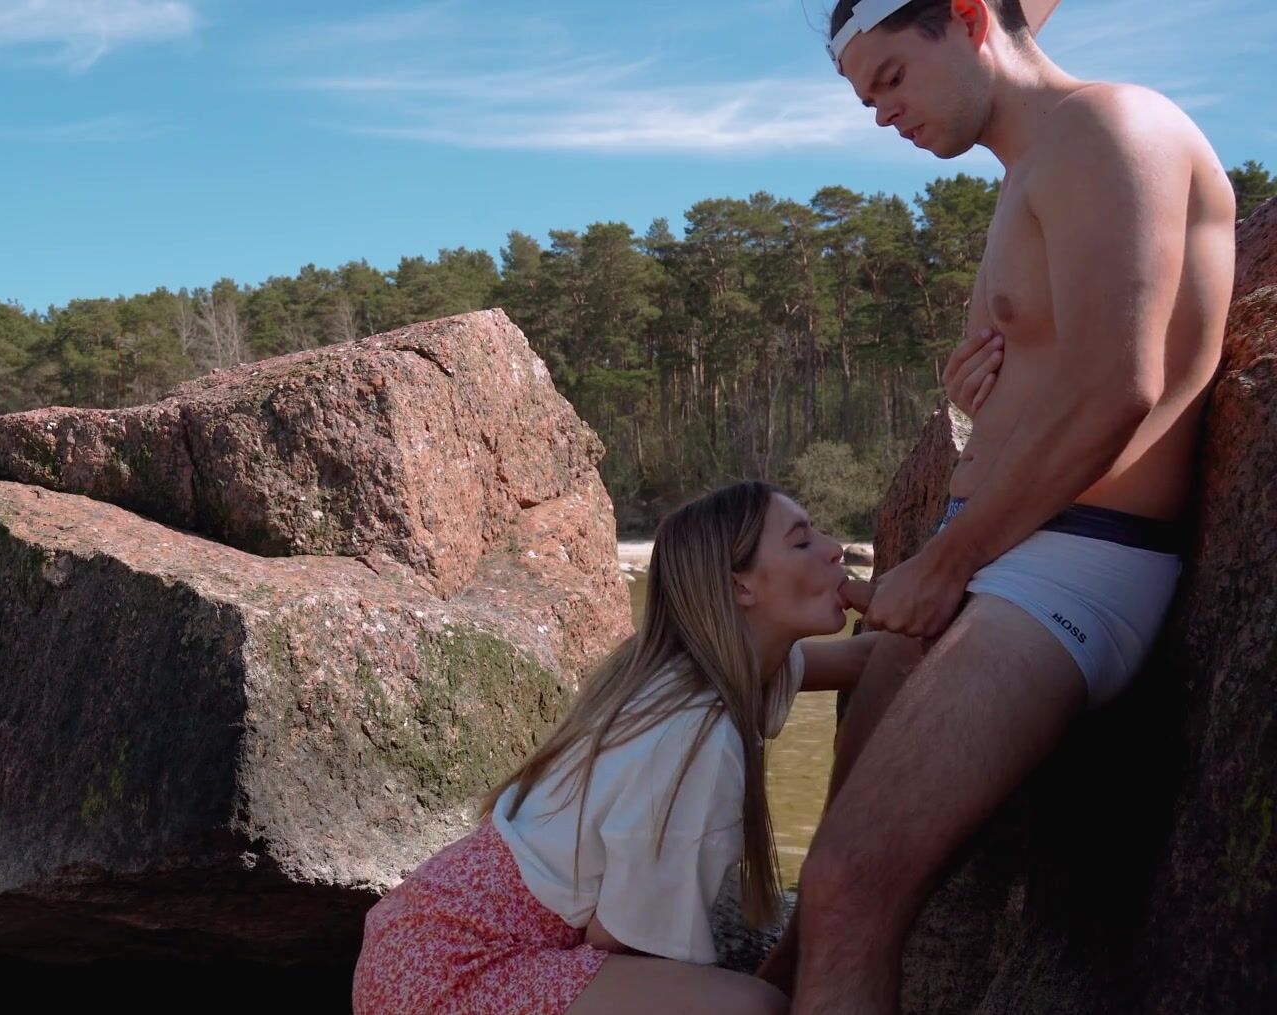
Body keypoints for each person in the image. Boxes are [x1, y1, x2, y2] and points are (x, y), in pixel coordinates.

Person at [762, 2, 1237, 1012]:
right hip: (988, 551)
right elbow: (1064, 374)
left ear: (970, 20)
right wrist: (981, 406)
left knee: (849, 890)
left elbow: (1120, 387)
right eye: (865, 96)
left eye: (892, 77)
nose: (880, 113)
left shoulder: (1111, 126)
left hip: (1074, 561)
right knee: (810, 915)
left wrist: (946, 561)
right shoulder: (1029, 171)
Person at [352, 482, 882, 1015]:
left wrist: (902, 602)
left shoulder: (696, 669)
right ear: (741, 586)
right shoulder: (694, 735)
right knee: (752, 1008)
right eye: (801, 541)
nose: (834, 548)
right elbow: (623, 945)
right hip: (448, 969)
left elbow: (864, 660)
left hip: (416, 938)